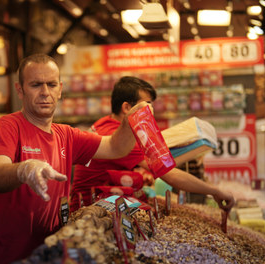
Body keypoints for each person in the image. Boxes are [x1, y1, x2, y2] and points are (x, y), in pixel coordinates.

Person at [0, 53, 143, 264]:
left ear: (60, 89)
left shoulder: (66, 134)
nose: (45, 92)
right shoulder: (7, 126)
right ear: (20, 90)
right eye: (36, 84)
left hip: (51, 263)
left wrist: (131, 119)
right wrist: (24, 169)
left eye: (51, 84)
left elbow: (116, 147)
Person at [70, 76, 234, 212]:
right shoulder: (116, 135)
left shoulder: (105, 123)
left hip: (97, 201)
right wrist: (215, 191)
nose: (151, 110)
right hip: (90, 210)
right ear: (127, 107)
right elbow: (170, 174)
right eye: (147, 104)